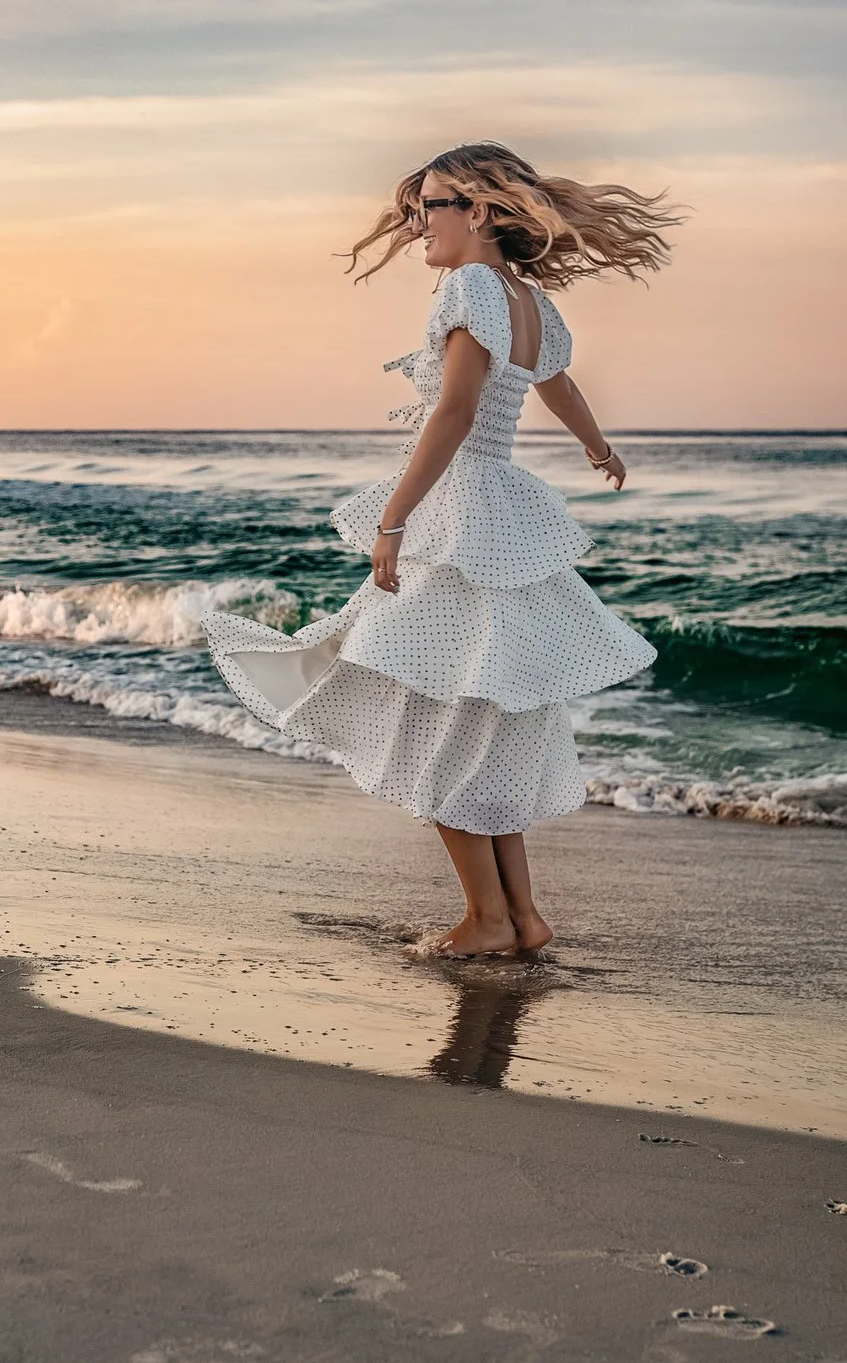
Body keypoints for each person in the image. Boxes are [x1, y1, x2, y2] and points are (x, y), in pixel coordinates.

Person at [202, 142, 675, 958]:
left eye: (433, 205)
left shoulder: (468, 287)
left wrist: (392, 521)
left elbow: (452, 413)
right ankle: (520, 916)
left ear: (481, 212)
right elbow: (555, 381)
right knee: (482, 714)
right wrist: (597, 446)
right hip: (501, 514)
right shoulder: (527, 299)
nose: (418, 222)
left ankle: (489, 921)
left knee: (434, 721)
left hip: (459, 516)